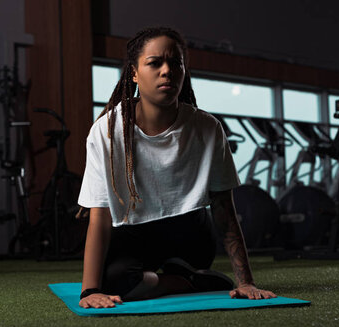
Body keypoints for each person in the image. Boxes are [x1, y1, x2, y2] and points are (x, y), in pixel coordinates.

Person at [77, 26, 276, 309]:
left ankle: (182, 273)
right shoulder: (107, 130)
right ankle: (185, 282)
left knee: (137, 280)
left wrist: (245, 281)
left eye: (175, 63)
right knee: (115, 282)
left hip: (189, 233)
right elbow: (100, 214)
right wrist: (90, 291)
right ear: (134, 72)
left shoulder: (207, 128)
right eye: (155, 63)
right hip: (133, 232)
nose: (167, 71)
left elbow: (224, 208)